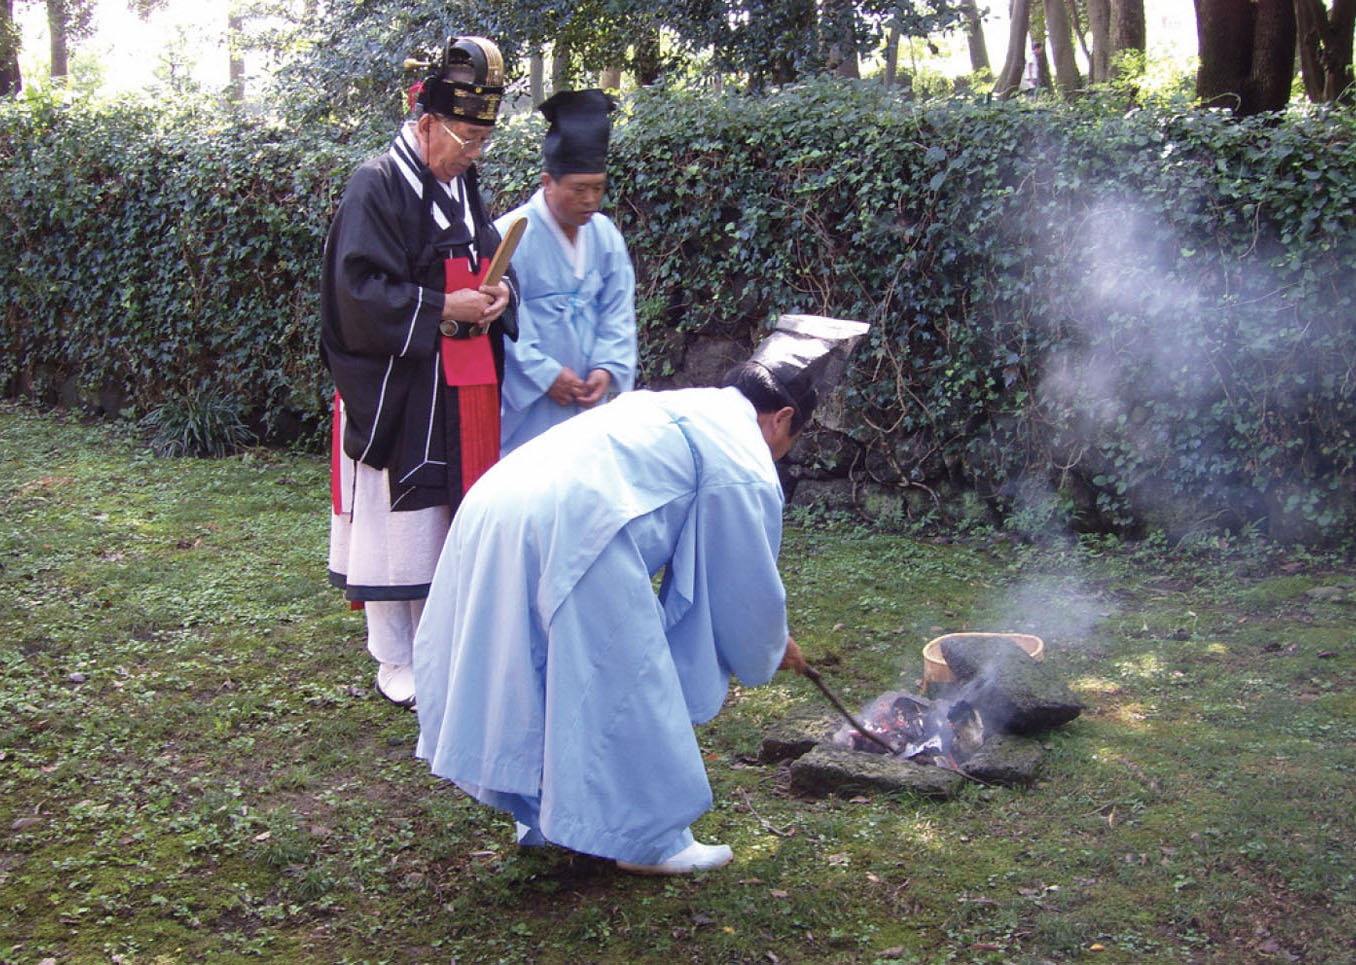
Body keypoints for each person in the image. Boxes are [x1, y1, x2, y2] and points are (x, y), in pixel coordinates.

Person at [412, 315, 869, 875]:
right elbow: (743, 584)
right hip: (573, 525)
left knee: (538, 669)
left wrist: (770, 640)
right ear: (783, 418)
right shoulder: (745, 459)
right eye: (791, 441)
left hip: (499, 501)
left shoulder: (685, 406)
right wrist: (771, 646)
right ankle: (650, 840)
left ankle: (554, 811)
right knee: (625, 675)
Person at [321, 35, 517, 709]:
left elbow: (488, 249)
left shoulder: (460, 181)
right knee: (394, 523)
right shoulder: (376, 183)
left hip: (458, 381)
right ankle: (393, 655)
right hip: (398, 381)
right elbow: (357, 292)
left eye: (481, 141)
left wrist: (499, 292)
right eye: (465, 139)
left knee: (444, 518)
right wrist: (440, 307)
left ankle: (442, 643)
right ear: (427, 121)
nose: (474, 153)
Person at [494, 88, 637, 454]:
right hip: (529, 409)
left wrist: (606, 370)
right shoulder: (509, 235)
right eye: (578, 189)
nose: (590, 199)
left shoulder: (605, 235)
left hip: (590, 402)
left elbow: (618, 312)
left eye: (598, 188)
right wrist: (545, 376)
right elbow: (499, 323)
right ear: (547, 182)